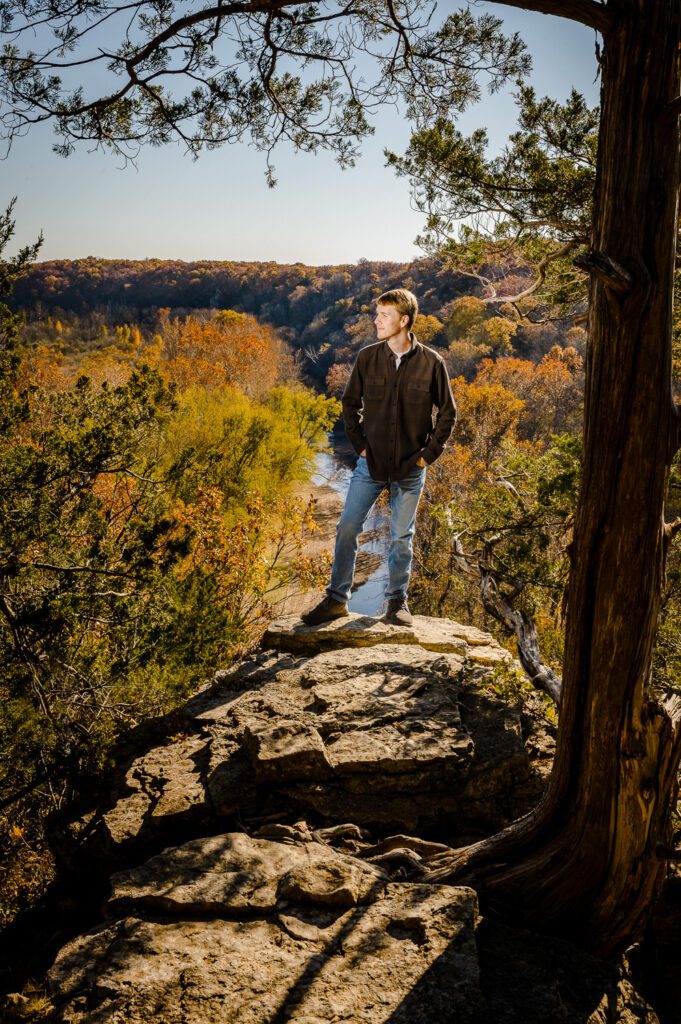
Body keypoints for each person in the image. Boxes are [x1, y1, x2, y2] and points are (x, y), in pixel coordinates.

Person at [302, 288, 456, 627]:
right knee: (347, 527)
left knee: (402, 536)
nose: (376, 321)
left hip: (409, 468)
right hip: (369, 465)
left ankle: (396, 605)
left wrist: (427, 456)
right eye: (377, 315)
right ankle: (336, 599)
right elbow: (349, 405)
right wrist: (359, 446)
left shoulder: (432, 363)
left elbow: (448, 413)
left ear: (403, 320)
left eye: (383, 316)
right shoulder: (367, 358)